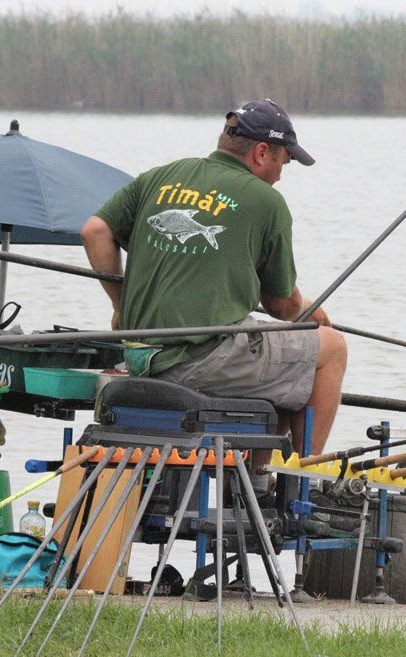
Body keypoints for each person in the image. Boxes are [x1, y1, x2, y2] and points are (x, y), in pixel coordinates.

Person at [81, 98, 346, 455]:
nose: (282, 173)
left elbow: (95, 230)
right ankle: (303, 479)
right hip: (200, 359)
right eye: (284, 161)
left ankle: (257, 482)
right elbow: (283, 304)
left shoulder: (162, 175)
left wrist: (122, 306)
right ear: (262, 152)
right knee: (331, 348)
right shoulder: (267, 202)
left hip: (140, 355)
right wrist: (319, 319)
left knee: (280, 352)